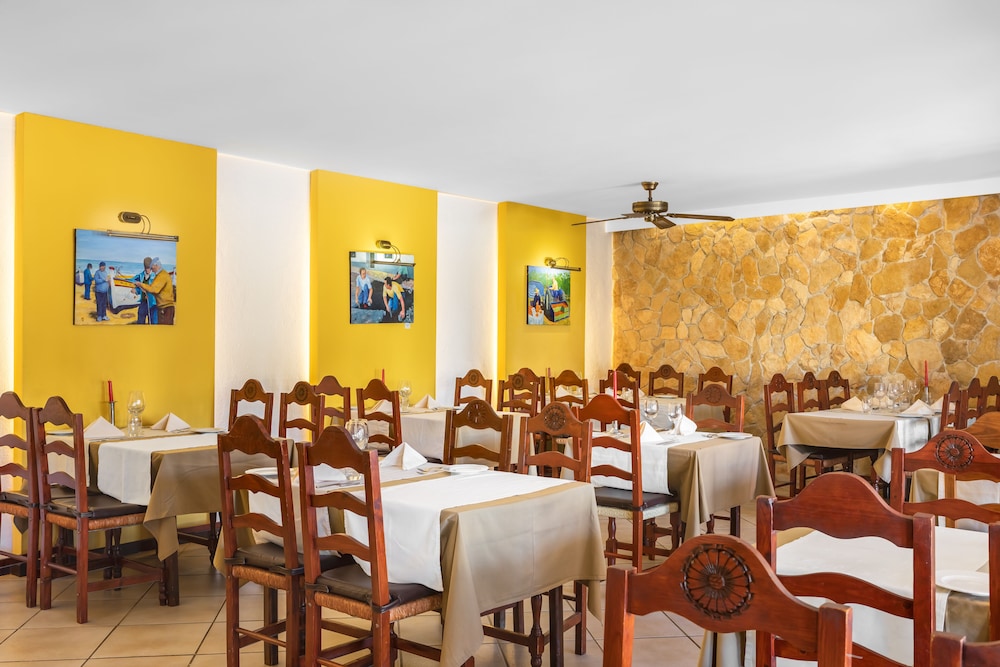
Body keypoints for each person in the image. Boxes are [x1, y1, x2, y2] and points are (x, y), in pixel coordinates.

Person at [135, 257, 175, 324]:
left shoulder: (161, 275)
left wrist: (140, 284)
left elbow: (154, 289)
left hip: (164, 307)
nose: (152, 270)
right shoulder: (160, 274)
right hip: (162, 307)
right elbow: (157, 289)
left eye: (152, 268)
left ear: (156, 265)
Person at [132, 256, 157, 324]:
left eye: (149, 268)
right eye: (146, 268)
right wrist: (136, 290)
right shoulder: (141, 275)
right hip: (143, 302)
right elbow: (132, 280)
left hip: (153, 303)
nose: (147, 270)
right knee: (140, 319)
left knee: (153, 322)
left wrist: (149, 292)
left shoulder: (156, 276)